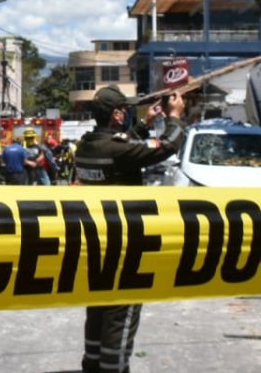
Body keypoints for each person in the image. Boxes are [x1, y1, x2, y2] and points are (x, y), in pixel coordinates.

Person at [75, 85, 186, 373]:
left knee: (97, 309)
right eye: (124, 110)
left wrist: (144, 124)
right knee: (121, 312)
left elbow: (120, 148)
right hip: (123, 246)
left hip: (95, 243)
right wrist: (174, 117)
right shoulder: (115, 149)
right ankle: (115, 368)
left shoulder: (86, 147)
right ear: (116, 114)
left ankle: (93, 364)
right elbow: (168, 146)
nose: (126, 114)